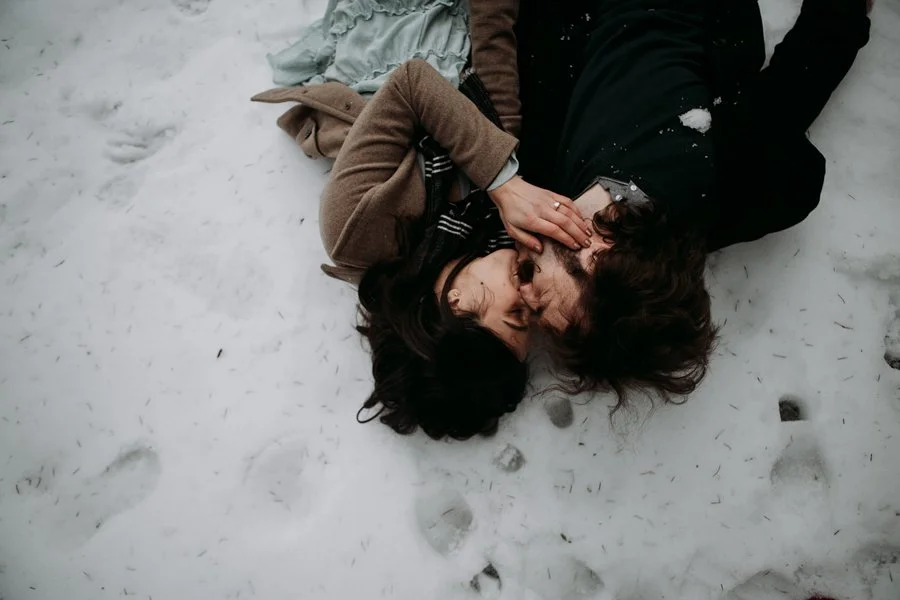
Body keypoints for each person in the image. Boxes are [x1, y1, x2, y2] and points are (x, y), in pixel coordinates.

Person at [507, 0, 872, 410]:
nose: (523, 292)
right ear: (597, 254)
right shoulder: (729, 181)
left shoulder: (534, 187)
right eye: (539, 302)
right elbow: (809, 65)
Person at [252, 2, 589, 439]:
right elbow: (497, 95)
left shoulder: (356, 230)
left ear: (455, 305)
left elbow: (410, 84)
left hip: (392, 34)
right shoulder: (485, 236)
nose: (529, 291)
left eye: (516, 311)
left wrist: (503, 180)